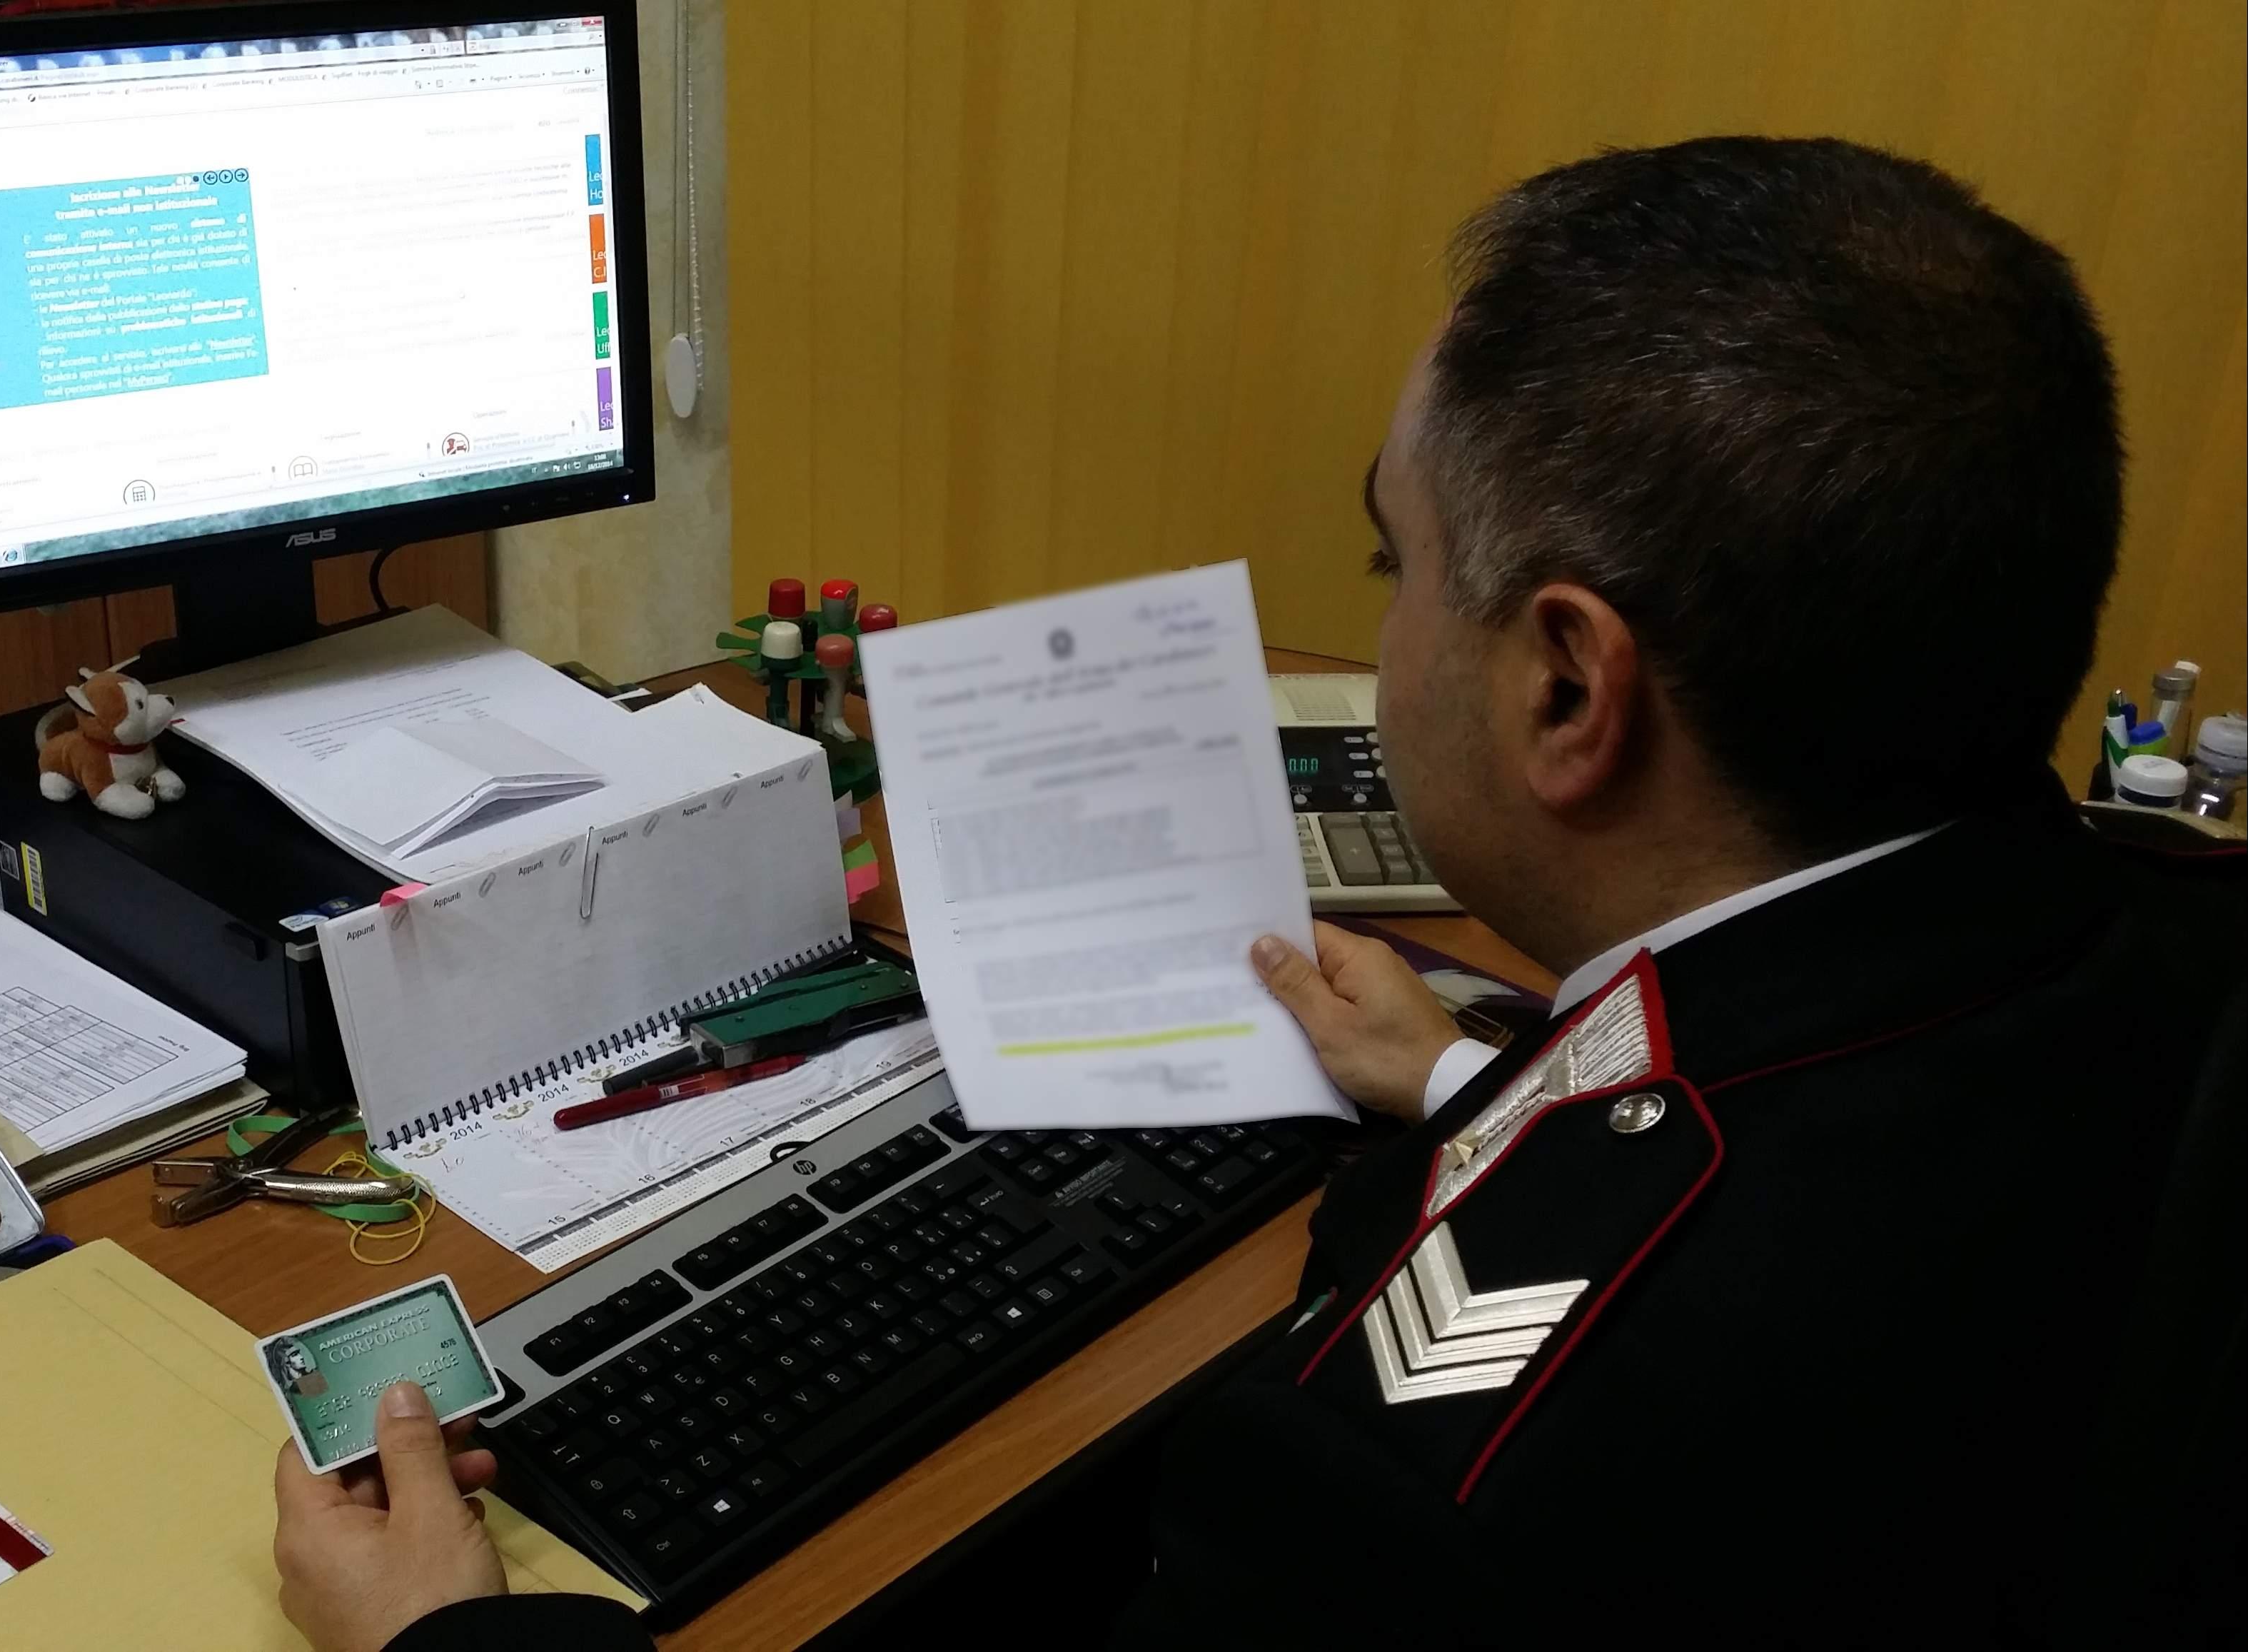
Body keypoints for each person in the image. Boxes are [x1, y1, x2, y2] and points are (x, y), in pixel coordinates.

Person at [273, 136, 2244, 1651]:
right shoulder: (2163, 947)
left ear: (1567, 686)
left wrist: (444, 1639)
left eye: (1397, 564)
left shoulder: (1427, 1486)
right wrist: (1475, 1083)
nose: (1384, 633)